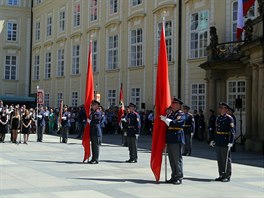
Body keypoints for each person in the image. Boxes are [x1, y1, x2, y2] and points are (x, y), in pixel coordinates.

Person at [160, 97, 185, 185]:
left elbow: (177, 123)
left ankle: (179, 177)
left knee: (177, 159)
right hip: (170, 138)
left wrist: (166, 120)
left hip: (176, 139)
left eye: (174, 104)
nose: (172, 105)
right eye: (172, 103)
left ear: (178, 105)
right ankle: (174, 176)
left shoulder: (180, 114)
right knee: (171, 159)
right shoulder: (171, 114)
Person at [209, 102, 235, 182]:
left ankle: (227, 175)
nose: (220, 109)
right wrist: (213, 139)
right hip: (218, 140)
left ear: (226, 109)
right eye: (220, 107)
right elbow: (215, 129)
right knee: (219, 159)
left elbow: (232, 131)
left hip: (225, 140)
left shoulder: (229, 118)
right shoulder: (218, 118)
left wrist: (231, 141)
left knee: (226, 159)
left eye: (222, 107)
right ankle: (221, 174)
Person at [88, 100, 102, 164]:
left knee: (96, 146)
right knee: (93, 146)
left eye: (93, 105)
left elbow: (95, 121)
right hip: (92, 131)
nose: (92, 106)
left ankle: (96, 159)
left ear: (96, 106)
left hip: (96, 131)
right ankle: (93, 158)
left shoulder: (97, 113)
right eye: (92, 105)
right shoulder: (93, 112)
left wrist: (89, 121)